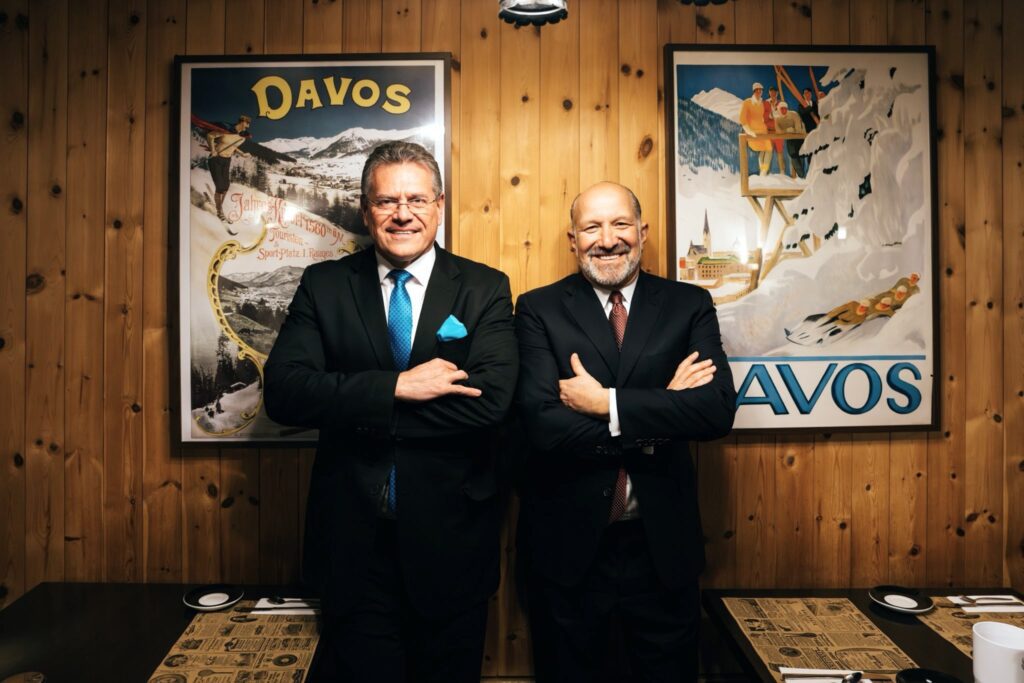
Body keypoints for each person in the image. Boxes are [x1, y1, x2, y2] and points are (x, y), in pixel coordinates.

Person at [264, 141, 519, 682]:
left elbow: (492, 402)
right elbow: (285, 393)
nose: (403, 213)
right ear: (365, 211)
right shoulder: (325, 287)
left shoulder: (484, 288)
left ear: (439, 206)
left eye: (417, 200)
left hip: (452, 544)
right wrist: (397, 387)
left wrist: (350, 405)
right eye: (386, 201)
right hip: (353, 547)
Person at [514, 181, 737, 682]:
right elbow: (542, 425)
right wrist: (663, 410)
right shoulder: (538, 309)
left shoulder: (688, 304)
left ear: (643, 231)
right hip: (567, 552)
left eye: (620, 224)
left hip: (662, 551)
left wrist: (606, 404)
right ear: (572, 240)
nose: (607, 239)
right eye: (591, 227)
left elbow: (716, 411)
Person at [206, 114, 252, 223]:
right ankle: (220, 211)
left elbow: (233, 146)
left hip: (227, 161)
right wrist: (213, 150)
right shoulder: (226, 130)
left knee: (226, 186)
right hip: (216, 159)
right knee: (220, 186)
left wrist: (242, 154)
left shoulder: (242, 137)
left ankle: (219, 207)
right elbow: (210, 136)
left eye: (248, 124)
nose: (248, 126)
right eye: (247, 123)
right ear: (241, 122)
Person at [739, 82, 773, 177]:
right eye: (756, 90)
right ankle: (763, 172)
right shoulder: (747, 102)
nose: (759, 92)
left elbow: (763, 117)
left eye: (760, 90)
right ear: (753, 91)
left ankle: (763, 172)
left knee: (768, 149)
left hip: (763, 132)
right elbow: (742, 119)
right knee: (763, 150)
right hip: (753, 133)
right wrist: (749, 132)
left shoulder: (761, 103)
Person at [774, 101, 807, 177]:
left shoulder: (794, 114)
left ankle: (802, 176)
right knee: (793, 155)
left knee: (800, 155)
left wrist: (790, 131)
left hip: (800, 137)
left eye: (785, 108)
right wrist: (788, 130)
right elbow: (778, 131)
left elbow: (798, 129)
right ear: (779, 109)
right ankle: (801, 176)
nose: (784, 110)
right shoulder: (777, 119)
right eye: (782, 109)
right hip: (790, 139)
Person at [764, 86, 785, 173]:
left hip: (778, 132)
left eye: (774, 92)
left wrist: (776, 115)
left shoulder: (780, 103)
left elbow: (783, 115)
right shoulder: (765, 103)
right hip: (768, 131)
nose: (773, 94)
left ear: (777, 93)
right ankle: (764, 172)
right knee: (768, 152)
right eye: (771, 92)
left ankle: (782, 172)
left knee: (780, 152)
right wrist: (770, 115)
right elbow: (763, 116)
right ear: (769, 93)